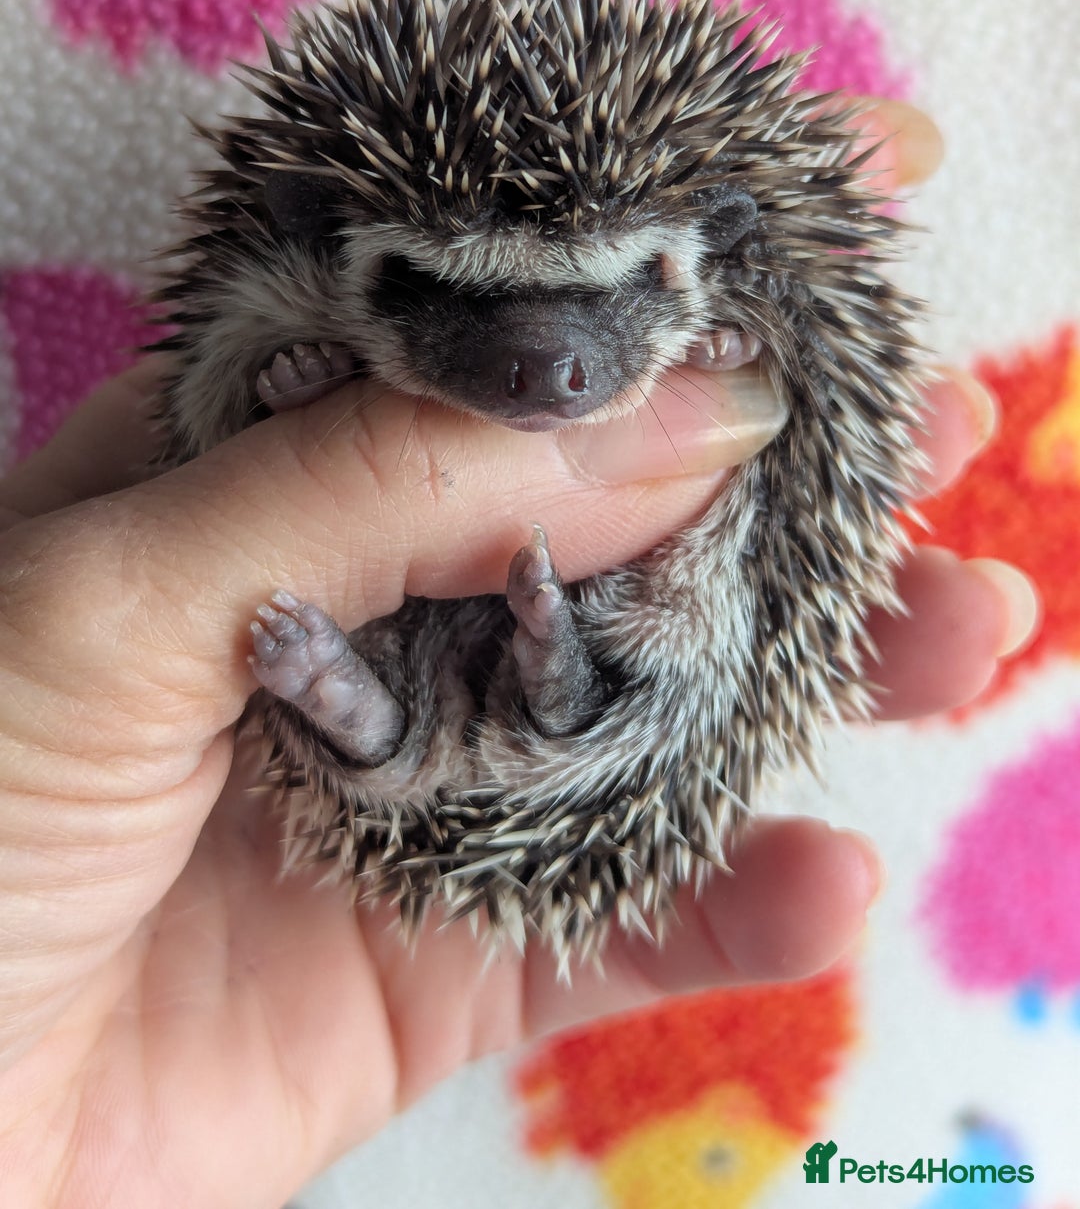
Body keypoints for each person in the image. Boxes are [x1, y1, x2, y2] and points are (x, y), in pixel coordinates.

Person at [0, 106, 1037, 1207]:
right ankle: (485, 714)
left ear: (714, 252)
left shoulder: (756, 299)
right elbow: (217, 383)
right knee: (278, 536)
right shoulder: (284, 295)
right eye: (451, 293)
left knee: (710, 598)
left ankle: (436, 728)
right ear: (321, 240)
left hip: (591, 715)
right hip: (361, 768)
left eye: (614, 292)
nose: (544, 368)